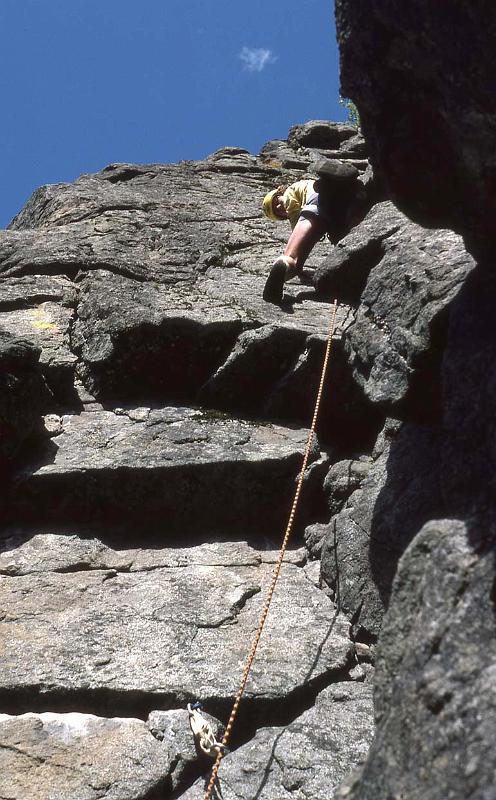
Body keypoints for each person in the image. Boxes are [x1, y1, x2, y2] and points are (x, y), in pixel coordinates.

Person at [262, 160, 366, 303]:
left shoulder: (291, 191)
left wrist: (297, 235)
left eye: (276, 201)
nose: (279, 206)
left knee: (292, 257)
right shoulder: (309, 183)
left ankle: (284, 265)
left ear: (280, 192)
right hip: (341, 209)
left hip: (316, 206)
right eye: (277, 211)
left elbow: (293, 212)